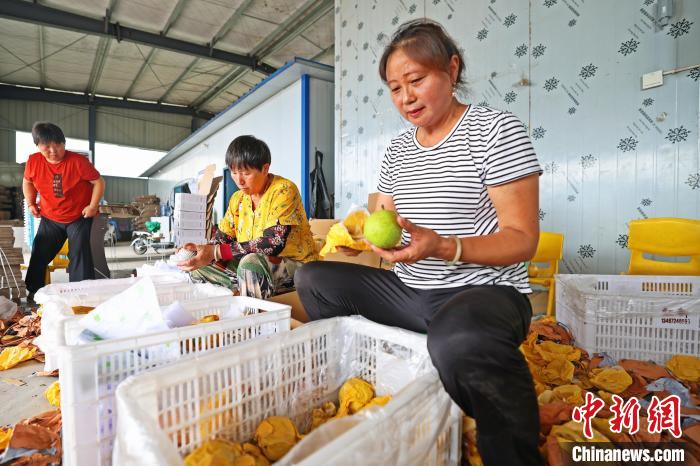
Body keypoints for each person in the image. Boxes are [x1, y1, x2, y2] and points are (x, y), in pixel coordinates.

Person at [294, 20, 543, 466]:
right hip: (411, 292)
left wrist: (446, 247)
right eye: (395, 88)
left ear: (452, 69)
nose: (406, 97)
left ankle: (512, 454)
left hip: (482, 293)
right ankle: (381, 376)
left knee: (459, 340)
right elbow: (384, 222)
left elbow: (523, 240)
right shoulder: (397, 150)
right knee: (313, 279)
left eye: (416, 80)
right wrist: (359, 241)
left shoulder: (495, 130)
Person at [178, 135, 317, 299]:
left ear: (265, 169)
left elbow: (273, 243)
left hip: (298, 268)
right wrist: (201, 251)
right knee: (199, 267)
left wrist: (215, 252)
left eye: (246, 173)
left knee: (251, 264)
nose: (239, 181)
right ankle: (234, 298)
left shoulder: (283, 190)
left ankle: (252, 314)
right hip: (252, 265)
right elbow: (222, 239)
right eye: (234, 172)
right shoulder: (237, 199)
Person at [23, 122, 105, 301]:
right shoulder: (34, 161)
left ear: (64, 143)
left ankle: (81, 294)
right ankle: (34, 292)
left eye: (58, 145)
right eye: (46, 146)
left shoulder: (78, 162)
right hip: (50, 217)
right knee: (40, 251)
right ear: (37, 145)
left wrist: (92, 206)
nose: (53, 150)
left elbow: (99, 182)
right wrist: (31, 203)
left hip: (78, 216)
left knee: (79, 254)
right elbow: (27, 181)